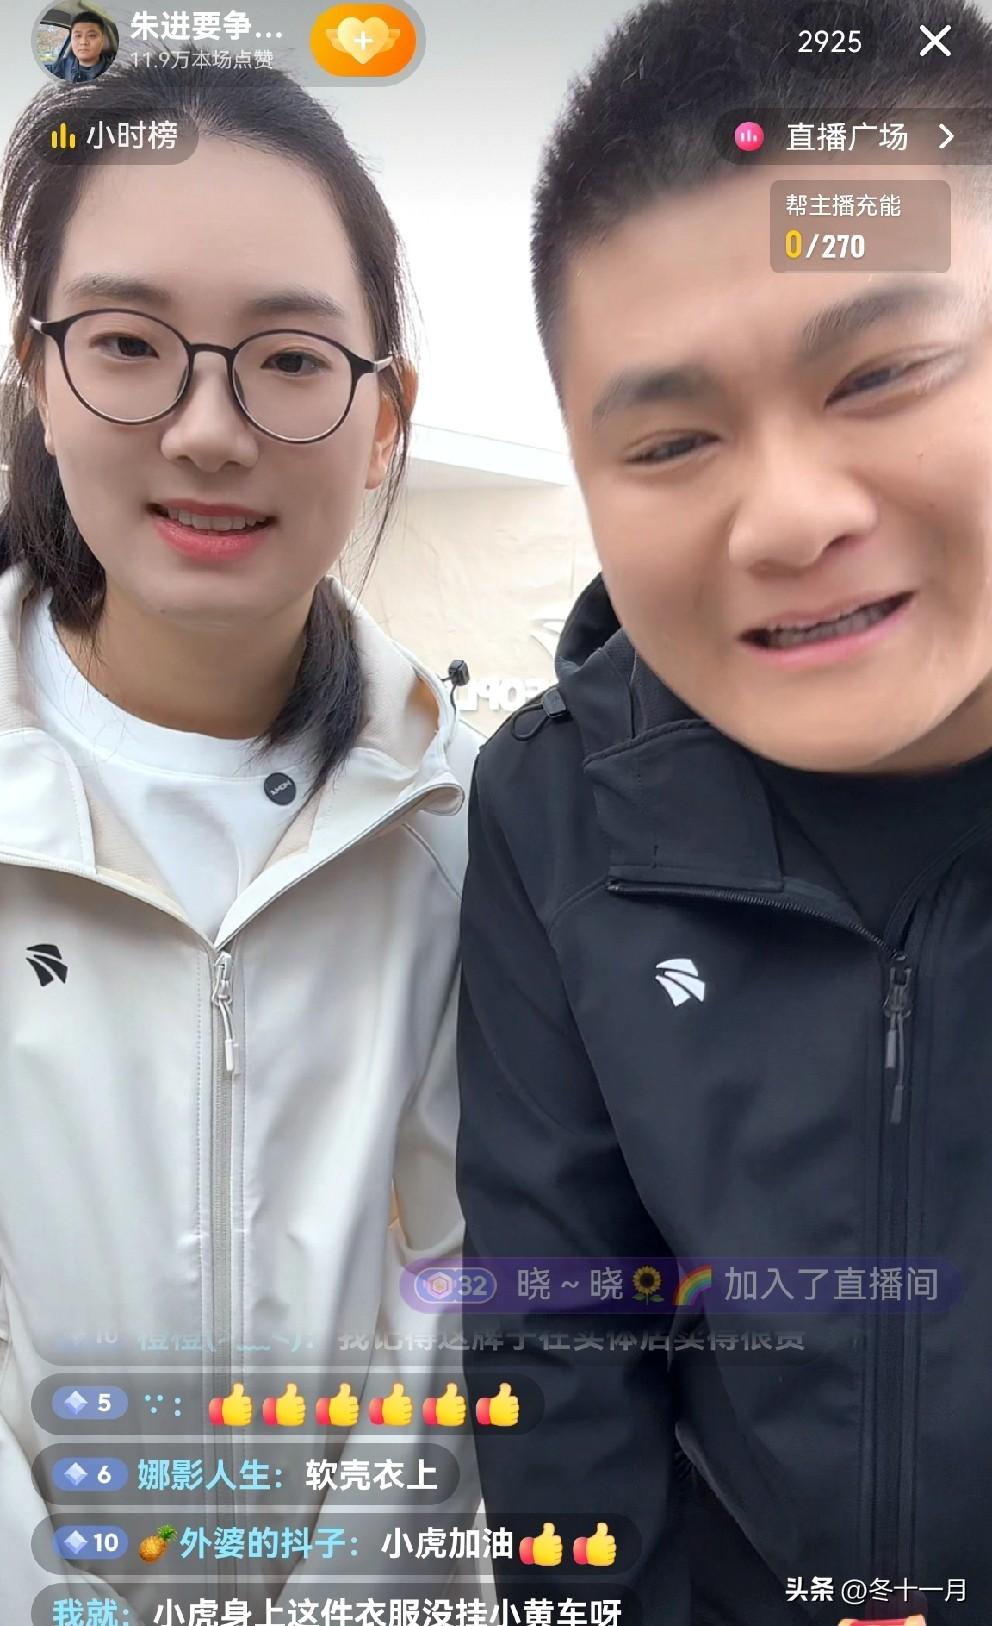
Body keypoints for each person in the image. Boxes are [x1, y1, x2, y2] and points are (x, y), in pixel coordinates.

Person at [456, 0, 992, 1620]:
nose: (789, 517)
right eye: (672, 437)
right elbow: (559, 1336)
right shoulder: (554, 803)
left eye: (885, 370)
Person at [0, 58, 479, 1618]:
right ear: (35, 371)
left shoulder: (474, 831)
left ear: (383, 416)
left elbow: (465, 1307)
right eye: (127, 344)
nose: (208, 430)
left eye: (288, 359)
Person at [46, 10, 115, 83]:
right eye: (78, 36)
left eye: (91, 35)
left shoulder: (114, 72)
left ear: (102, 40)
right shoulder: (63, 65)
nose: (83, 42)